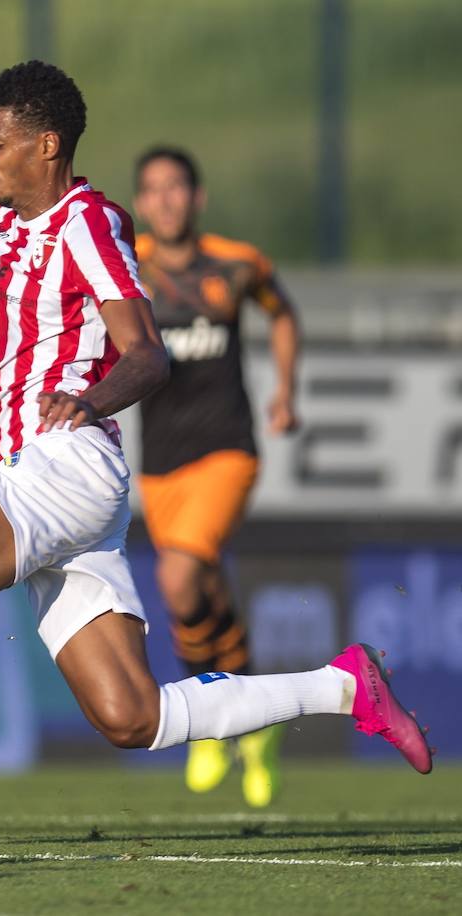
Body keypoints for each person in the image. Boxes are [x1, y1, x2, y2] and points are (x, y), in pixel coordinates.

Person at [0, 60, 433, 864]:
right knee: (131, 718)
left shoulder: (90, 222)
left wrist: (92, 401)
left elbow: (148, 355)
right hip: (58, 482)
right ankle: (346, 685)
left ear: (46, 145)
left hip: (65, 463)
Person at [131, 146, 302, 807]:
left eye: (178, 188)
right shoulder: (127, 264)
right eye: (154, 190)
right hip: (159, 463)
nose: (168, 200)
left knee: (177, 580)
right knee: (203, 588)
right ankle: (254, 722)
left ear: (197, 198)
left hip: (228, 449)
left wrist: (286, 390)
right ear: (143, 202)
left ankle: (208, 721)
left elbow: (282, 313)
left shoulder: (237, 263)